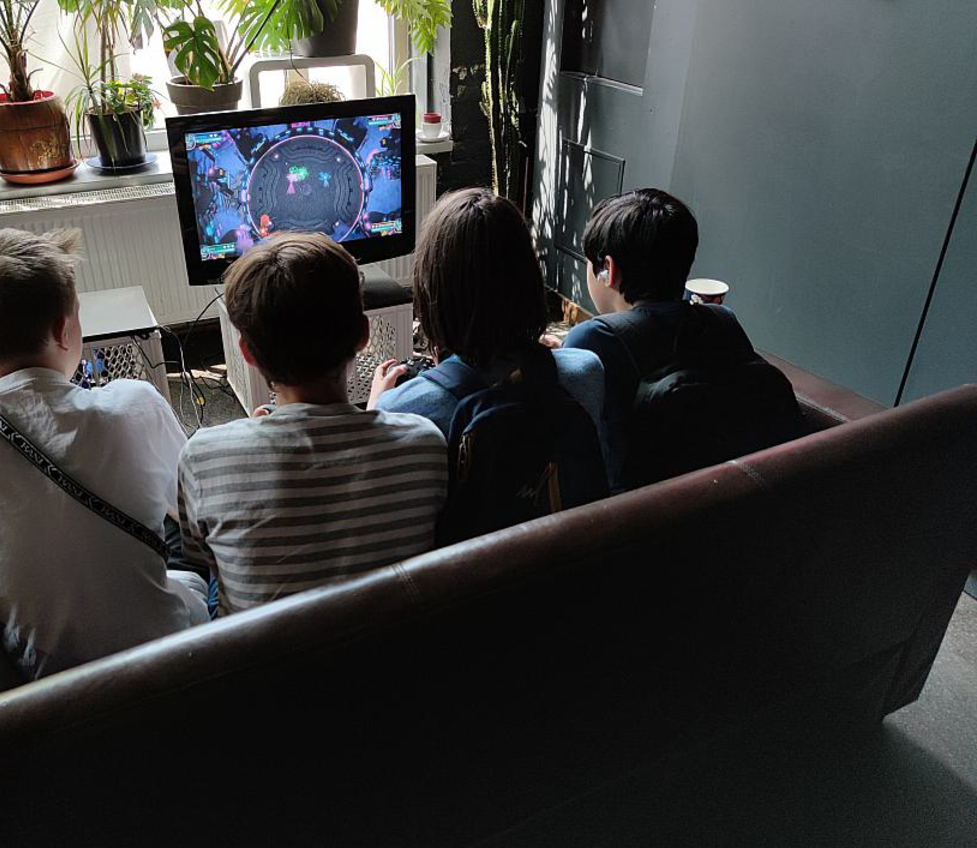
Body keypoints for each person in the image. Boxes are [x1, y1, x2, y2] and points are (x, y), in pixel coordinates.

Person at [0, 228, 209, 682]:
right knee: (180, 530)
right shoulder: (135, 403)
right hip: (170, 653)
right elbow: (193, 511)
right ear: (65, 330)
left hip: (39, 683)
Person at [176, 232, 447, 615]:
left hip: (263, 652)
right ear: (364, 335)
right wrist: (374, 415)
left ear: (247, 352)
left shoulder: (202, 457)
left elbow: (205, 559)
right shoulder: (425, 445)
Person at [369, 188, 610, 538]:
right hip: (569, 563)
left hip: (472, 573)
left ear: (431, 289)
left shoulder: (402, 409)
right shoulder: (587, 370)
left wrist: (375, 413)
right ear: (529, 278)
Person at [563, 188, 800, 488]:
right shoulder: (722, 319)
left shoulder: (595, 339)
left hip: (636, 507)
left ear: (608, 270)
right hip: (733, 497)